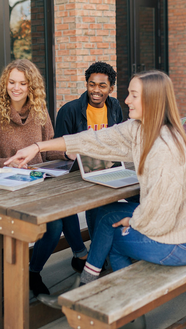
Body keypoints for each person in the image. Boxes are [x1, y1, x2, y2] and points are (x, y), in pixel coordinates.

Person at [5, 70, 186, 314]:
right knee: (105, 214)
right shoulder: (140, 128)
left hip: (182, 241)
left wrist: (134, 221)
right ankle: (93, 289)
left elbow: (161, 213)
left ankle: (106, 302)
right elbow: (93, 139)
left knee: (111, 237)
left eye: (133, 95)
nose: (126, 101)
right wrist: (38, 146)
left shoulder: (163, 147)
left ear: (152, 100)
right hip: (178, 226)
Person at [22, 61, 124, 296]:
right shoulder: (69, 110)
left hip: (103, 169)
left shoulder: (115, 107)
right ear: (86, 84)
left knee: (103, 209)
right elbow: (57, 151)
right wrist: (72, 153)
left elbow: (119, 138)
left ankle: (93, 257)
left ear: (110, 88)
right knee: (66, 215)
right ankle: (82, 256)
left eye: (102, 85)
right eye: (91, 84)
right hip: (74, 174)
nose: (96, 90)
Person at [0, 58, 68, 297]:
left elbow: (50, 151)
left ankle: (33, 272)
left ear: (31, 86)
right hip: (3, 190)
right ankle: (1, 278)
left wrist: (69, 153)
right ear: (5, 83)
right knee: (9, 231)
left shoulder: (39, 110)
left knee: (55, 225)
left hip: (37, 185)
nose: (16, 88)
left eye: (22, 83)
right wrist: (8, 163)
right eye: (11, 82)